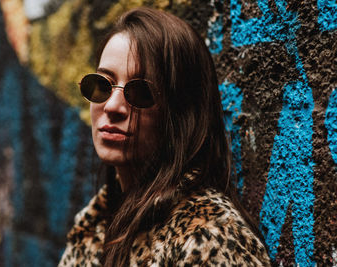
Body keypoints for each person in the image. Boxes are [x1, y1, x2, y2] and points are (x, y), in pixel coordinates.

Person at [59, 7, 271, 267]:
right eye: (102, 84)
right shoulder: (91, 229)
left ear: (181, 115)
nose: (112, 106)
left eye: (140, 93)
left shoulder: (207, 238)